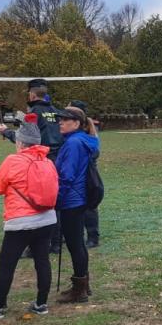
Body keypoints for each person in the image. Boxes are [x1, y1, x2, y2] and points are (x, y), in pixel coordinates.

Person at [0, 120, 57, 319]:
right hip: (46, 219)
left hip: (20, 221)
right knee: (42, 261)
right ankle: (41, 303)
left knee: (7, 263)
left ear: (20, 143)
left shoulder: (13, 161)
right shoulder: (47, 162)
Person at [0, 79, 63, 253]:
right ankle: (57, 243)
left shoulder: (33, 113)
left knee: (36, 201)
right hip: (57, 160)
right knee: (54, 200)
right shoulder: (56, 112)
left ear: (32, 94)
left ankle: (36, 244)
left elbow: (26, 138)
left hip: (38, 161)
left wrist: (5, 131)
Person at [54, 106, 100, 303]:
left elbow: (67, 175)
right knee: (77, 243)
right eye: (60, 119)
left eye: (65, 119)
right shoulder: (78, 140)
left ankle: (79, 289)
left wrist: (57, 198)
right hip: (77, 198)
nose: (60, 122)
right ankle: (83, 285)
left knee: (75, 244)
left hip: (72, 200)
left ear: (77, 123)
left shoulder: (74, 143)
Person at [70, 100, 102, 248]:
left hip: (87, 174)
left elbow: (95, 152)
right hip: (81, 172)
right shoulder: (80, 131)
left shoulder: (86, 132)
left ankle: (92, 237)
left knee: (89, 206)